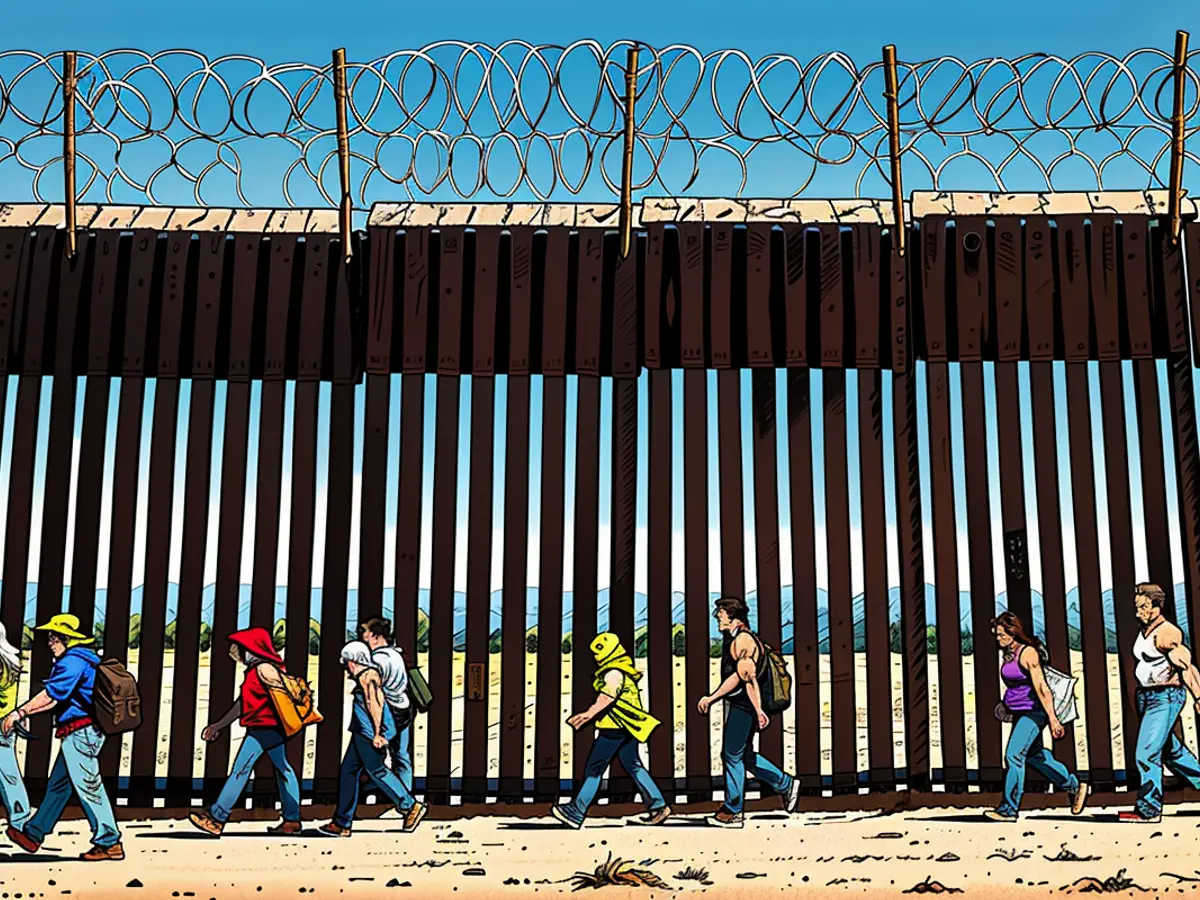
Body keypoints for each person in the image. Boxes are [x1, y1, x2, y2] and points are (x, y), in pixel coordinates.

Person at [2, 614, 122, 860]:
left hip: (81, 732)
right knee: (58, 787)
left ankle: (109, 841)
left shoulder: (73, 662)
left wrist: (20, 712)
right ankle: (34, 834)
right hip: (79, 732)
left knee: (89, 786)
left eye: (53, 637)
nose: (49, 642)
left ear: (66, 638)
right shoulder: (85, 658)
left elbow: (52, 695)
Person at [188, 627, 302, 836]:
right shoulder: (257, 670)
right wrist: (219, 725)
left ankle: (217, 817)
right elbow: (243, 704)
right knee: (284, 771)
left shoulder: (264, 669)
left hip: (263, 728)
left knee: (241, 770)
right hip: (269, 727)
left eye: (240, 648)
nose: (235, 652)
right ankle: (292, 820)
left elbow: (281, 692)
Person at [550, 632, 671, 829]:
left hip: (614, 727)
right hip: (627, 727)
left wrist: (588, 714)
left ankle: (576, 811)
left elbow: (607, 697)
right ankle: (658, 805)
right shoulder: (622, 671)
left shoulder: (613, 673)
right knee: (633, 765)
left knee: (594, 768)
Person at [698, 597, 799, 828]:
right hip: (744, 705)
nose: (717, 617)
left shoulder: (742, 641)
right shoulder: (738, 639)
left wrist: (756, 710)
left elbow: (746, 679)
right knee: (742, 755)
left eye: (721, 613)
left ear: (733, 616)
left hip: (744, 707)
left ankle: (733, 811)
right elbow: (739, 677)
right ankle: (785, 784)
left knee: (731, 755)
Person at [985, 611, 1090, 821]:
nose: (998, 639)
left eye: (1001, 635)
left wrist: (1052, 718)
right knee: (1035, 756)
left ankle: (1008, 809)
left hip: (1034, 712)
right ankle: (1074, 786)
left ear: (1012, 632)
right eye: (996, 635)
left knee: (1014, 755)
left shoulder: (1028, 653)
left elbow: (1042, 687)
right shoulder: (1009, 653)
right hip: (1019, 712)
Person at [318, 641, 427, 836]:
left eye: (346, 663)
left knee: (377, 769)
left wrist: (378, 733)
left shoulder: (368, 676)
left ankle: (410, 805)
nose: (347, 668)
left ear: (353, 661)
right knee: (349, 772)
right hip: (361, 731)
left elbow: (375, 703)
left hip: (367, 733)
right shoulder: (366, 675)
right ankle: (342, 822)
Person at [1121, 583, 1200, 823]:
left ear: (1157, 606)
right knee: (1172, 753)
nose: (1138, 612)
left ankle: (1149, 809)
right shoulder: (1145, 630)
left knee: (1146, 753)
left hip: (1165, 697)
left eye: (1143, 607)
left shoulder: (1167, 633)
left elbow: (1186, 666)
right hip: (1148, 697)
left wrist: (1198, 696)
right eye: (1137, 607)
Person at [358, 617, 412, 793]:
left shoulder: (376, 660)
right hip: (404, 706)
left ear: (375, 636)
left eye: (366, 633)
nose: (364, 637)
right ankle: (406, 790)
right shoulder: (396, 655)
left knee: (374, 755)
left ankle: (395, 794)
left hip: (386, 710)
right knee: (401, 754)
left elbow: (373, 691)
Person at [0, 623, 29, 835]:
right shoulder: (10, 661)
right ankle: (20, 820)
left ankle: (20, 821)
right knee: (9, 775)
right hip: (6, 724)